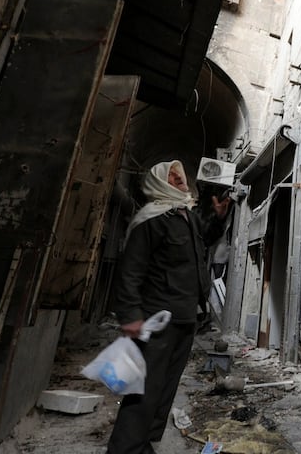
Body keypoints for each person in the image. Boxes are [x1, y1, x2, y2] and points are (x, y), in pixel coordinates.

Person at [106, 159, 220, 454]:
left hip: (185, 317)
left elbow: (206, 239)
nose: (179, 179)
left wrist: (218, 217)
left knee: (166, 387)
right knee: (144, 389)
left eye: (180, 175)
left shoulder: (187, 216)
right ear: (159, 183)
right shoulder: (151, 219)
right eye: (171, 176)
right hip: (156, 318)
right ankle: (125, 448)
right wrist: (130, 315)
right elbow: (130, 270)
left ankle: (144, 442)